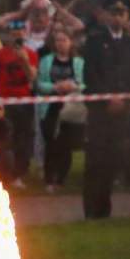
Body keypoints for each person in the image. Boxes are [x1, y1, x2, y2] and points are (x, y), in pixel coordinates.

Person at [82, 0, 130, 218]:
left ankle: (104, 211)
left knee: (112, 159)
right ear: (106, 14)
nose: (118, 17)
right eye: (114, 12)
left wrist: (125, 99)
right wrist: (108, 98)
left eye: (122, 12)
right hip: (100, 110)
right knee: (95, 159)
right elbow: (91, 74)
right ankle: (91, 211)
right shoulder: (95, 41)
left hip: (121, 111)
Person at [0, 25, 38, 190]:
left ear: (25, 34)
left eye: (20, 33)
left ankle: (18, 175)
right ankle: (2, 175)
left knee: (23, 140)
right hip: (5, 102)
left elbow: (32, 78)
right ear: (9, 35)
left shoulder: (30, 53)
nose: (17, 36)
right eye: (13, 34)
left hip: (24, 102)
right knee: (4, 140)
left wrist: (24, 60)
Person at [36, 29, 85, 190]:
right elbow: (39, 83)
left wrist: (73, 86)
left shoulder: (79, 63)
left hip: (71, 109)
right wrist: (55, 87)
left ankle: (61, 179)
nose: (61, 43)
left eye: (64, 40)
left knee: (66, 144)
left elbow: (84, 83)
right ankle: (49, 178)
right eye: (58, 40)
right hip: (50, 108)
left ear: (71, 42)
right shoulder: (46, 61)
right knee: (51, 143)